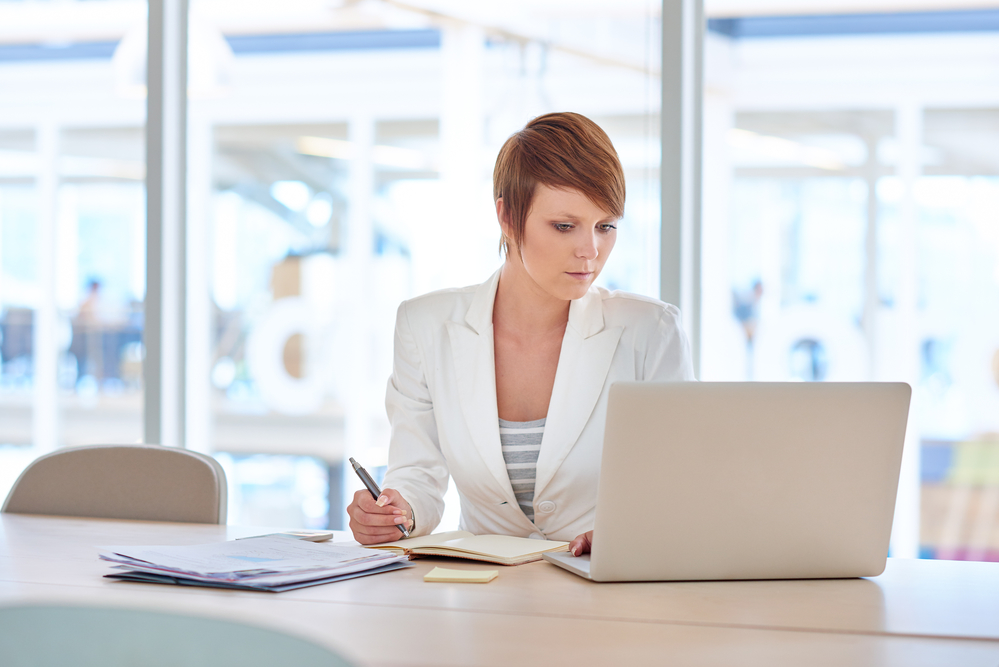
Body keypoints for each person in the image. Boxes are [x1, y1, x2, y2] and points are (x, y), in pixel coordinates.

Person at [347, 112, 695, 556]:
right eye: (565, 226)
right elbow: (417, 476)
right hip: (478, 595)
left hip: (601, 596)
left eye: (605, 226)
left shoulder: (652, 331)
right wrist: (396, 514)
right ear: (507, 218)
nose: (590, 250)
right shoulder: (425, 325)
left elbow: (679, 489)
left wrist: (634, 534)